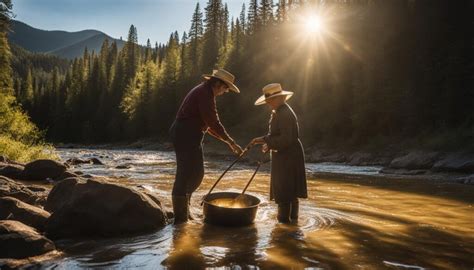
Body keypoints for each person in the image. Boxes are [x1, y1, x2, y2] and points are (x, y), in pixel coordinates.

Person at [169, 69, 243, 224]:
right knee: (184, 173)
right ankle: (180, 219)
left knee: (197, 174)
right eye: (225, 88)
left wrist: (228, 142)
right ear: (217, 84)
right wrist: (231, 142)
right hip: (185, 133)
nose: (225, 92)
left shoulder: (206, 92)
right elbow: (213, 122)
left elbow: (209, 126)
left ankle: (184, 209)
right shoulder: (204, 93)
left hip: (190, 134)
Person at [250, 83, 307, 223]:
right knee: (290, 193)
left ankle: (283, 228)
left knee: (284, 193)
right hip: (287, 155)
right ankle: (292, 227)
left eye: (270, 100)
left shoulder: (285, 113)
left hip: (288, 157)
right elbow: (278, 136)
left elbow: (286, 139)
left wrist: (263, 140)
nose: (268, 103)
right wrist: (267, 143)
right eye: (267, 101)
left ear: (280, 98)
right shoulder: (280, 111)